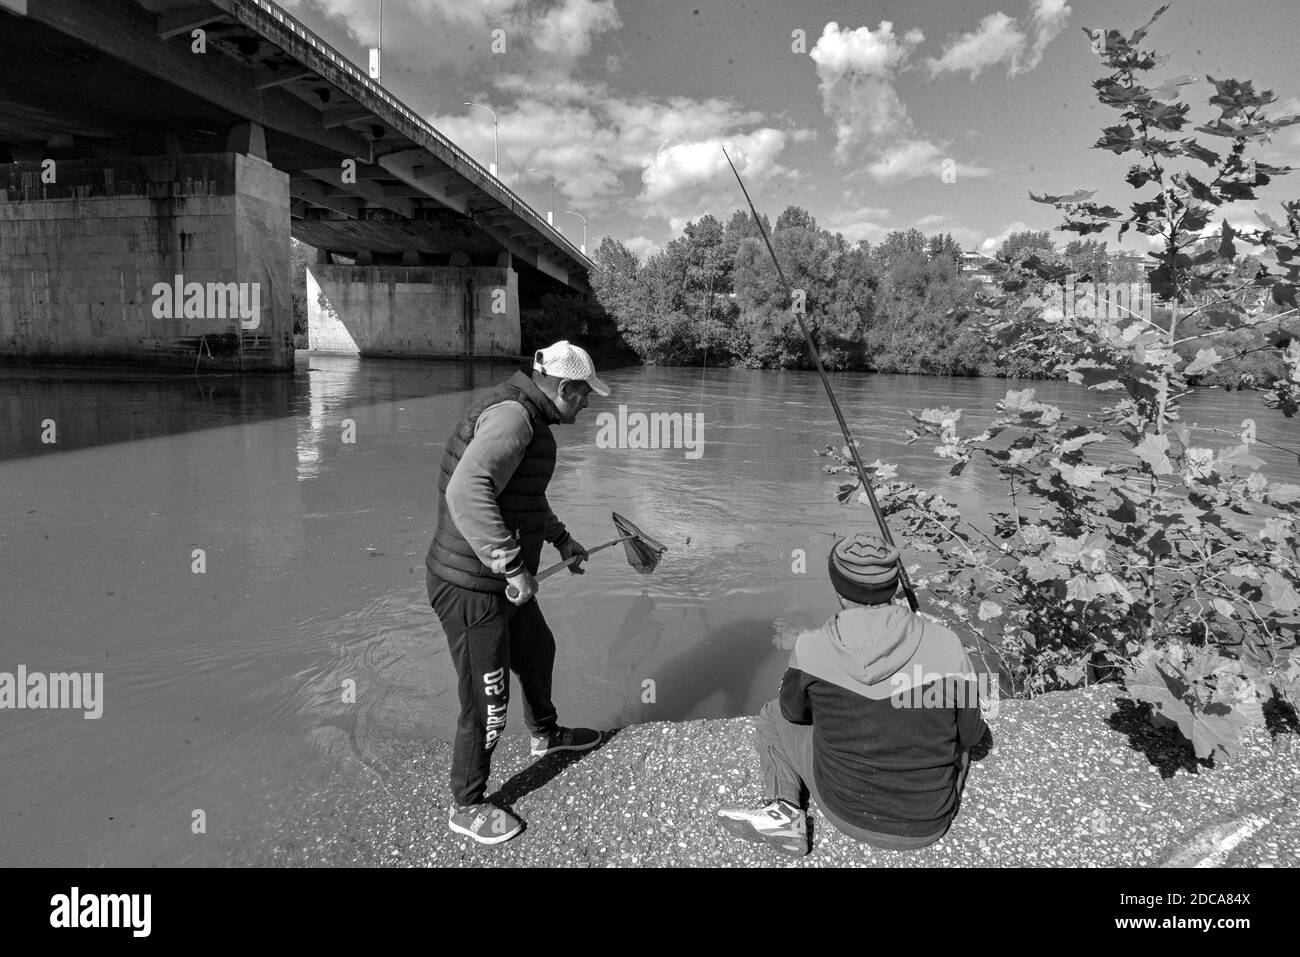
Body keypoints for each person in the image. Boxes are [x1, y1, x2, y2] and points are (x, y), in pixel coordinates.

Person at [426, 340, 610, 845]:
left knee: (536, 650)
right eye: (585, 394)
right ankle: (466, 804)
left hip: (500, 583)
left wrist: (561, 540)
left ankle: (546, 737)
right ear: (564, 387)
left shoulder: (528, 417)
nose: (589, 403)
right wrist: (511, 565)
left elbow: (523, 495)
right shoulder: (513, 419)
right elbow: (465, 491)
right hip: (472, 586)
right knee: (487, 703)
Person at [717, 533, 989, 857]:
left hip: (844, 812)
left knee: (771, 714)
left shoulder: (811, 647)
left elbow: (793, 714)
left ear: (837, 588)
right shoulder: (946, 645)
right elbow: (972, 737)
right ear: (895, 585)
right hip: (930, 820)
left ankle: (784, 808)